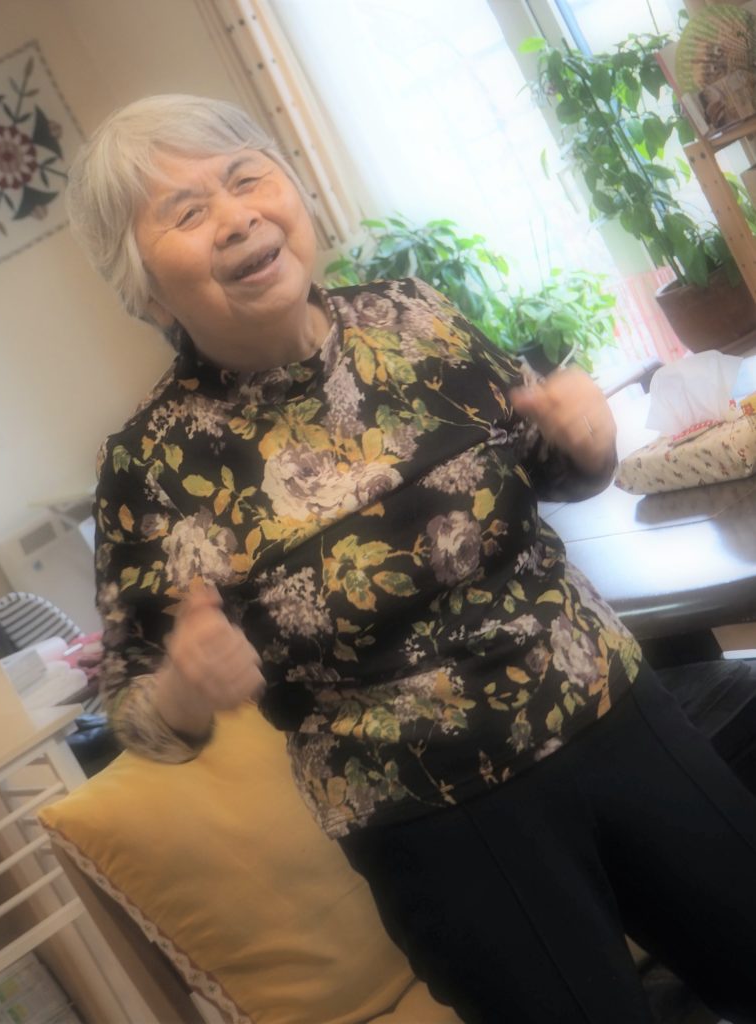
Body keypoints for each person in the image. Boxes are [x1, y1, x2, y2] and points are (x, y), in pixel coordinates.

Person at [66, 94, 756, 1024]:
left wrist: (587, 445)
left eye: (245, 178)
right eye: (186, 213)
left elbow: (546, 470)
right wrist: (187, 691)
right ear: (146, 288)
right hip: (442, 828)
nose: (235, 217)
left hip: (613, 709)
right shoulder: (149, 466)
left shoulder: (412, 314)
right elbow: (134, 716)